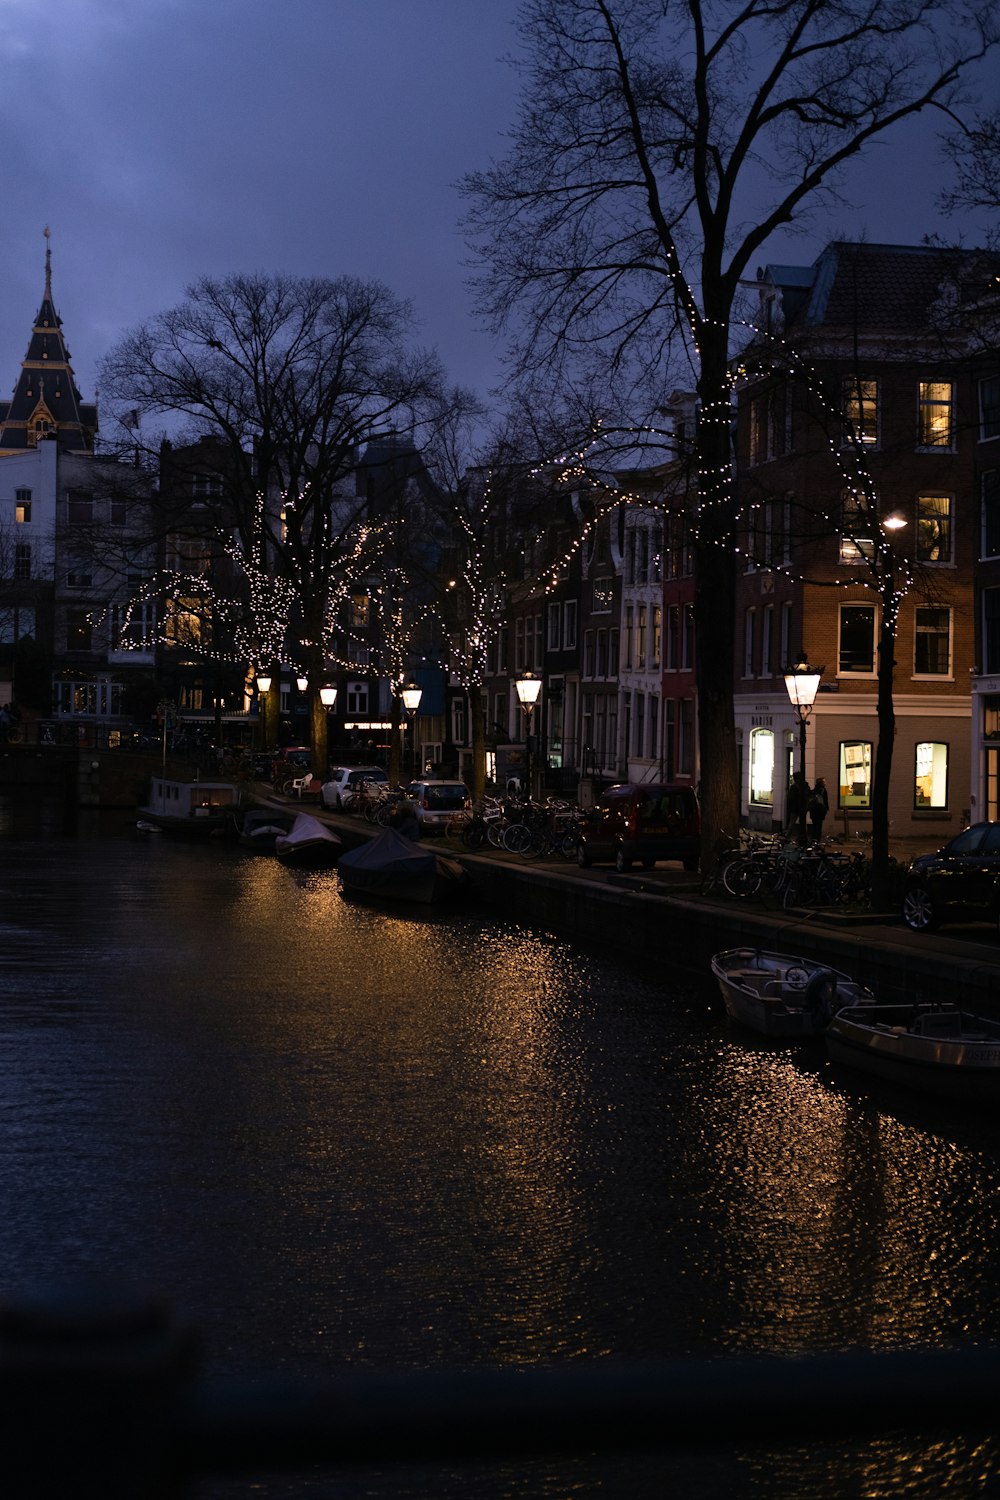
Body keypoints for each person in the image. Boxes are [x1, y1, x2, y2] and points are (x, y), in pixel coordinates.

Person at [808, 777, 829, 842]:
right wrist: (826, 809)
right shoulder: (823, 790)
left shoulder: (814, 790)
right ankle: (817, 841)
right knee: (819, 827)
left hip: (813, 811)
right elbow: (825, 801)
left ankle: (814, 840)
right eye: (824, 782)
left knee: (815, 826)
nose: (825, 783)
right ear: (821, 783)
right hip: (820, 811)